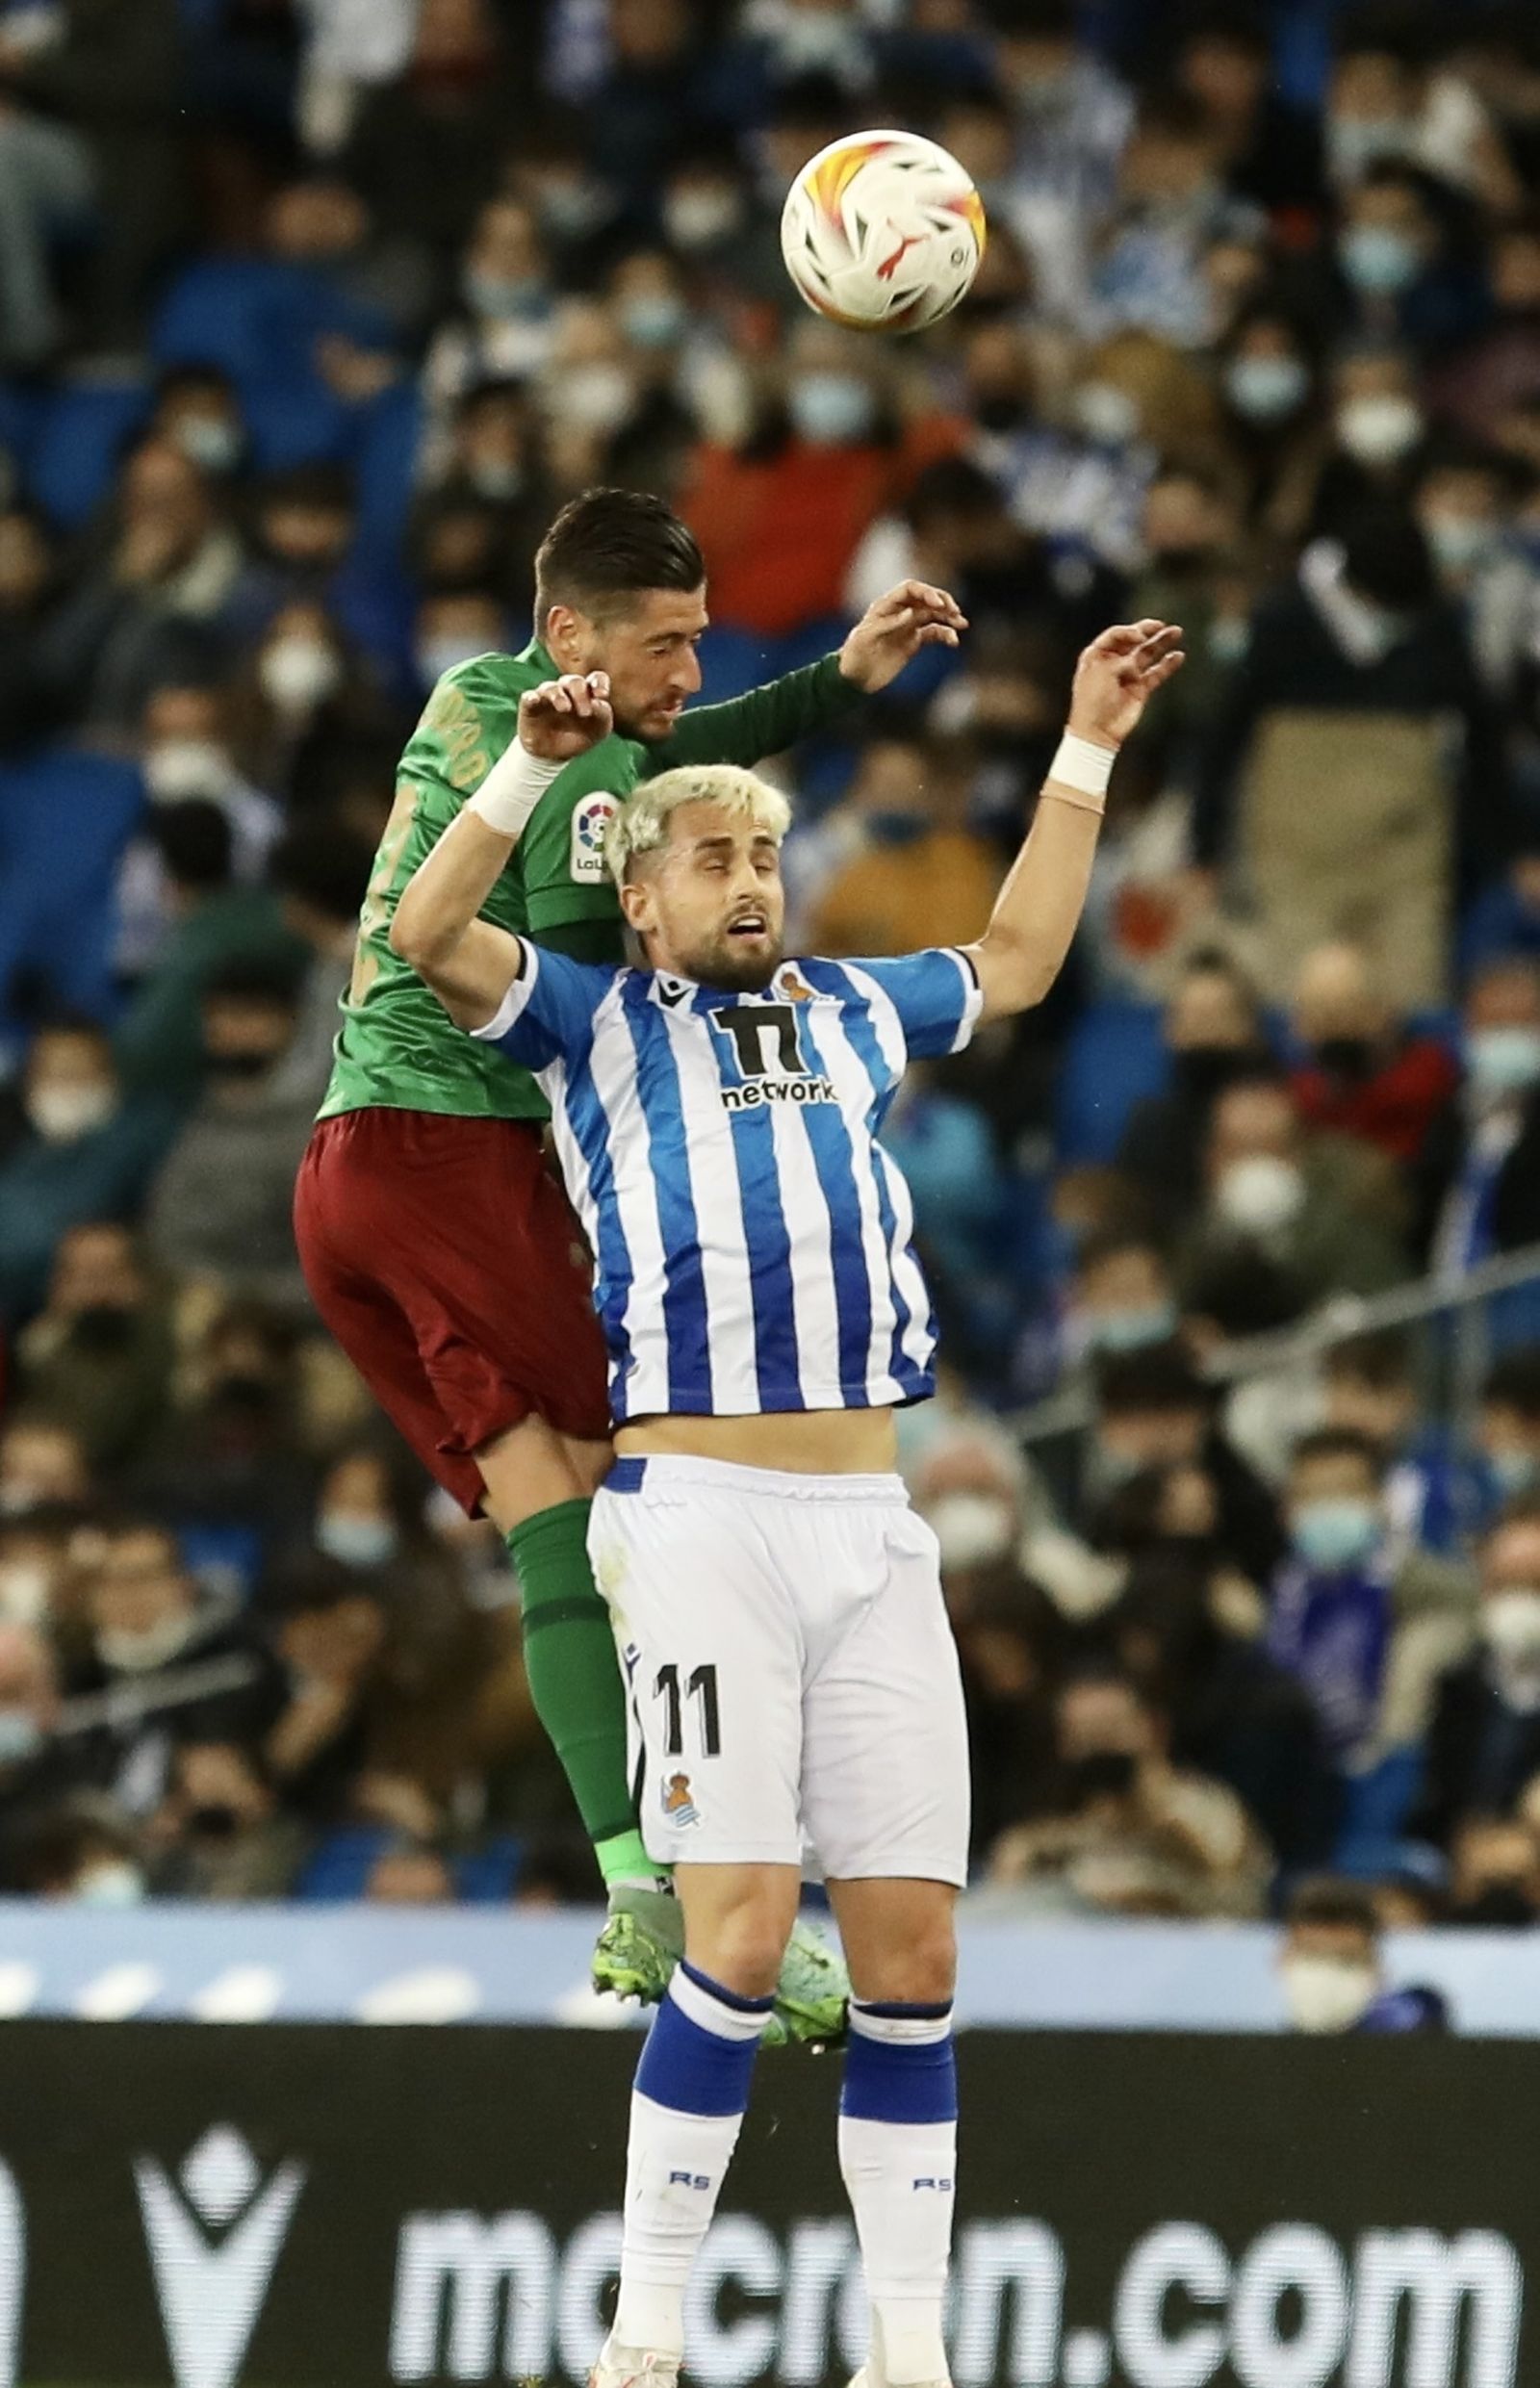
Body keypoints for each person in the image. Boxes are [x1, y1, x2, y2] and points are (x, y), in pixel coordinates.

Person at [388, 614, 1182, 2388]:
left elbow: (1025, 958)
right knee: (739, 1932)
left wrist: (1087, 743)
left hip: (871, 1528)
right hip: (699, 1519)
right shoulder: (591, 1020)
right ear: (642, 900)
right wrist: (527, 762)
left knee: (912, 1952)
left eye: (764, 853)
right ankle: (645, 2334)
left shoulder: (850, 1006)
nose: (749, 880)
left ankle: (912, 2351)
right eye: (710, 859)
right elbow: (426, 933)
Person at [293, 483, 964, 2026]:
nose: (686, 675)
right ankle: (729, 1880)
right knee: (664, 1461)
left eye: (702, 644)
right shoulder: (581, 753)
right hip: (455, 1148)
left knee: (548, 1500)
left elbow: (647, 770)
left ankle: (634, 1888)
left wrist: (834, 683)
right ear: (571, 634)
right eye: (667, 647)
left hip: (348, 1173)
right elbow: (619, 938)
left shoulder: (485, 703)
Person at [1278, 1875, 1449, 2034]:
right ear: (1283, 1959)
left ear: (1375, 1964)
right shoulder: (1266, 2051)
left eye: (1345, 1961)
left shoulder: (1410, 2023)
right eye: (1314, 1959)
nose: (1327, 1977)